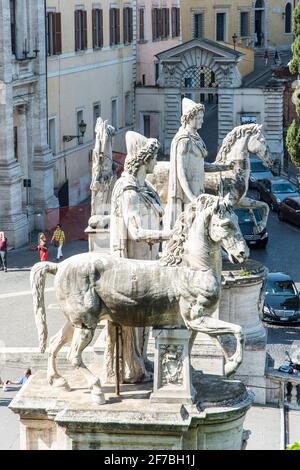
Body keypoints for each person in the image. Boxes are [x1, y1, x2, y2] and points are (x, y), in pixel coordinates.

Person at [106, 131, 171, 384]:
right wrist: (169, 236)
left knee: (146, 321)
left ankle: (140, 359)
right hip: (134, 268)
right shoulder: (129, 192)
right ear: (144, 160)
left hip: (150, 264)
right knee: (136, 321)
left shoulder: (148, 188)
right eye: (154, 157)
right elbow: (136, 231)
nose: (157, 162)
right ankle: (130, 364)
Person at [165, 97, 232, 230]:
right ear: (190, 118)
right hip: (187, 196)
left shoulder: (195, 138)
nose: (202, 120)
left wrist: (224, 167)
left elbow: (202, 165)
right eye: (200, 117)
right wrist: (192, 198)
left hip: (198, 190)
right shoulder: (184, 140)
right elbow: (181, 172)